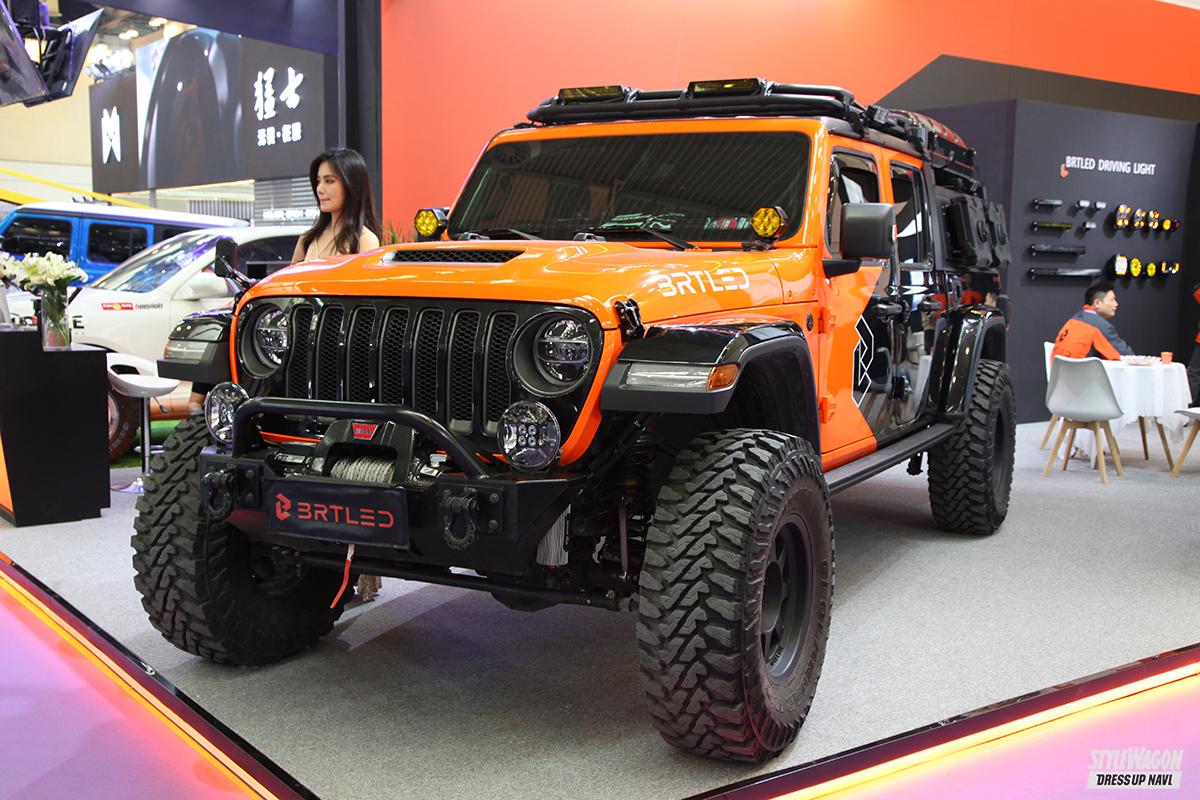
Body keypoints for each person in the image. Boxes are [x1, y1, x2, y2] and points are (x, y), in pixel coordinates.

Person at [292, 147, 381, 263]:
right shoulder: (307, 239)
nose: (319, 189)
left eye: (329, 181)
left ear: (351, 185)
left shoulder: (365, 240)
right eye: (318, 181)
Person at [1051, 281, 1134, 360]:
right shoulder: (1100, 326)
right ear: (1097, 303)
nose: (1116, 304)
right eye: (1112, 300)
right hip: (1081, 369)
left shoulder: (1074, 319)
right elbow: (1126, 356)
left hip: (1058, 369)